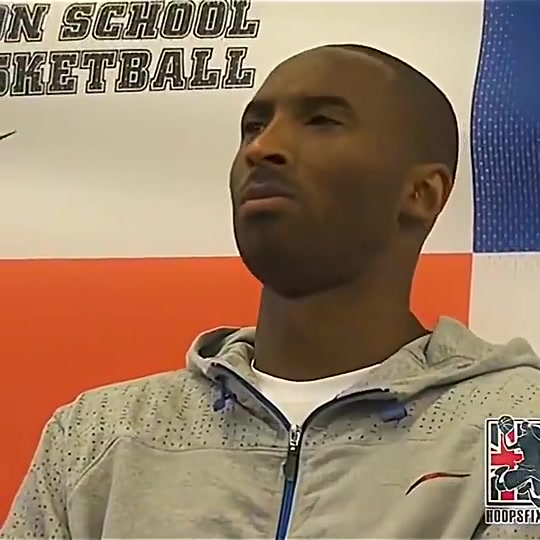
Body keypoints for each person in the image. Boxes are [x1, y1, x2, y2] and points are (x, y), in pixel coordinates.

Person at [2, 43, 540, 539]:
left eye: (322, 121)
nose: (264, 147)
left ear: (421, 193)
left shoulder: (517, 423)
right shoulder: (99, 435)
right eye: (254, 126)